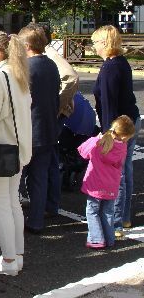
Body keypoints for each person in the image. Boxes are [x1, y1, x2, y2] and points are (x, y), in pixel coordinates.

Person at [0, 31, 32, 275]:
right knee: (13, 203)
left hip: (1, 149)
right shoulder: (18, 73)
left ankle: (10, 262)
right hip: (19, 148)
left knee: (1, 204)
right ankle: (17, 257)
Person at [91, 25, 141, 237]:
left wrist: (107, 134)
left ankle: (116, 222)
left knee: (116, 174)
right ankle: (125, 217)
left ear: (104, 43)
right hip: (131, 120)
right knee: (125, 170)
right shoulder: (121, 62)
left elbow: (109, 102)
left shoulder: (110, 67)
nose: (93, 47)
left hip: (118, 127)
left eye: (95, 42)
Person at [18, 24, 60, 234]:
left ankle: (15, 222)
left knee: (16, 179)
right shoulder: (51, 65)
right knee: (40, 177)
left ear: (26, 45)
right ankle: (36, 220)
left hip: (29, 130)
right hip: (48, 129)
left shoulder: (26, 68)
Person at [78, 115, 135, 249]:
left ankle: (97, 239)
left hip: (95, 184)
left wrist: (96, 138)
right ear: (124, 136)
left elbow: (82, 151)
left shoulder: (97, 142)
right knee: (108, 212)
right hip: (111, 186)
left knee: (92, 211)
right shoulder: (123, 147)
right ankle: (109, 239)